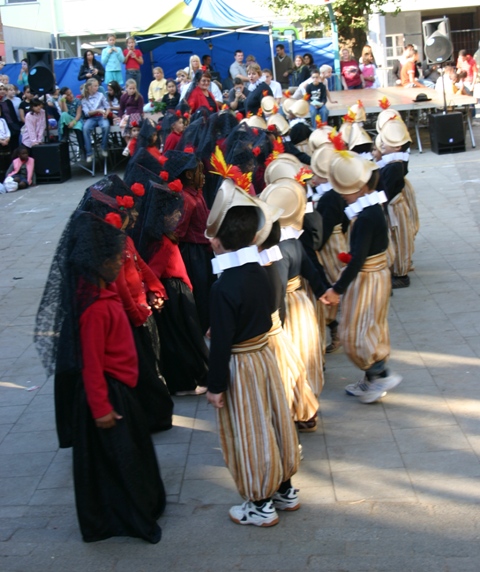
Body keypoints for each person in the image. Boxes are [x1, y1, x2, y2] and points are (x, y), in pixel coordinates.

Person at [34, 211, 166, 543]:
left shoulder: (103, 298)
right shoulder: (94, 310)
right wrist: (101, 408)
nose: (117, 264)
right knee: (122, 460)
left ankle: (132, 507)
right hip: (109, 395)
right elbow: (91, 365)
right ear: (96, 264)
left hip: (120, 390)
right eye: (113, 260)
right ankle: (127, 515)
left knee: (124, 456)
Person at [205, 179, 300, 527]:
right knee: (275, 420)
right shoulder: (259, 271)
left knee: (250, 428)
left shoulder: (222, 286)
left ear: (218, 241)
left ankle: (260, 504)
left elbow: (222, 346)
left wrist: (215, 387)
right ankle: (286, 490)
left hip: (241, 365)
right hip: (265, 356)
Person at [321, 151, 402, 404]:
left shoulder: (367, 216)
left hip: (368, 279)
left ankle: (380, 374)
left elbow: (357, 259)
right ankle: (372, 379)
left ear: (361, 188)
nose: (343, 195)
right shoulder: (370, 207)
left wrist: (337, 289)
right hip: (373, 276)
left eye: (346, 190)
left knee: (356, 332)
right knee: (370, 327)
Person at [141, 181, 209, 396]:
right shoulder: (163, 242)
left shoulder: (162, 238)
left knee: (184, 337)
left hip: (177, 290)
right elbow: (154, 270)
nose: (177, 217)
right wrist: (155, 293)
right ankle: (185, 383)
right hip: (174, 293)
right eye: (173, 214)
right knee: (181, 339)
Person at [81, 78, 110, 163]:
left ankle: (104, 147)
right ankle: (89, 153)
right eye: (95, 86)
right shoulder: (84, 99)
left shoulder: (100, 95)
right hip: (92, 118)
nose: (97, 87)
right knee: (85, 129)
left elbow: (107, 107)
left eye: (97, 85)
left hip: (101, 116)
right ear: (89, 87)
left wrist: (106, 113)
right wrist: (98, 110)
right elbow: (87, 113)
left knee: (106, 126)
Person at [58, 87, 85, 153]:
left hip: (76, 119)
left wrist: (73, 122)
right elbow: (65, 111)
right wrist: (63, 101)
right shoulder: (61, 101)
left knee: (78, 127)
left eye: (71, 93)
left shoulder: (77, 101)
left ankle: (82, 148)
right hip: (67, 118)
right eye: (68, 95)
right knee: (63, 114)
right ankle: (65, 136)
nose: (71, 96)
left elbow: (78, 114)